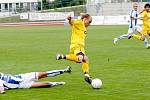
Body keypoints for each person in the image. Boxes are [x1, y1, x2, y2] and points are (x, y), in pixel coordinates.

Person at [56, 13, 92, 84]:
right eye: (89, 22)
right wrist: (70, 19)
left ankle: (86, 75)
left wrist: (70, 21)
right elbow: (73, 22)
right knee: (81, 58)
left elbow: (72, 24)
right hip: (77, 45)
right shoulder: (80, 22)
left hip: (79, 46)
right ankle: (61, 56)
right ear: (85, 19)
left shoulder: (83, 26)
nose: (89, 24)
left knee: (85, 59)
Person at [0, 66, 71, 94]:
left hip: (22, 76)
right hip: (22, 85)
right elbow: (1, 87)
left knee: (43, 74)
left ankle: (65, 70)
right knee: (45, 84)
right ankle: (57, 83)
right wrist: (2, 91)